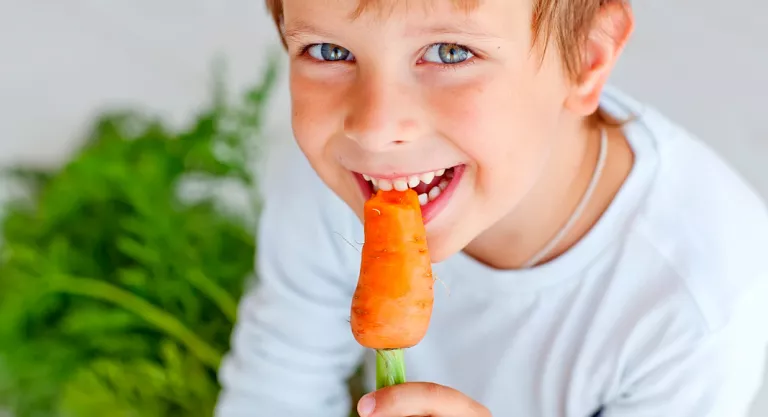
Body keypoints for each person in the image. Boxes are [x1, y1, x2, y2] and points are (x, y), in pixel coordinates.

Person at [214, 0, 768, 416]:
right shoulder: (342, 172)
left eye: (450, 52)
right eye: (330, 51)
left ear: (586, 59)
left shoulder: (700, 303)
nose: (375, 127)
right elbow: (277, 383)